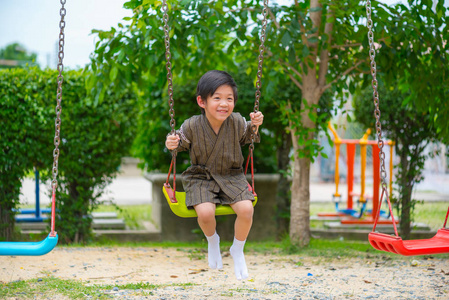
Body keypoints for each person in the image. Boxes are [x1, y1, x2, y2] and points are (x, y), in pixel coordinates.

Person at [165, 70, 264, 280]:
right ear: (202, 101)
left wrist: (255, 124)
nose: (224, 104)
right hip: (200, 177)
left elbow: (249, 136)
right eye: (217, 98)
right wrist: (171, 141)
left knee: (247, 209)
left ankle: (238, 248)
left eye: (229, 98)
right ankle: (213, 241)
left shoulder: (237, 121)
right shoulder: (191, 125)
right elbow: (179, 141)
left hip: (232, 175)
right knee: (206, 213)